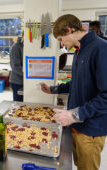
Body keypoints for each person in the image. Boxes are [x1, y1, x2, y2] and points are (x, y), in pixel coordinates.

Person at [41, 14, 107, 170]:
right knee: (78, 165)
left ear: (68, 30)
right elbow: (77, 83)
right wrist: (53, 89)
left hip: (91, 129)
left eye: (61, 40)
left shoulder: (101, 48)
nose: (62, 45)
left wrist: (74, 114)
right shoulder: (78, 50)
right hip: (75, 126)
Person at [9, 32, 24, 102]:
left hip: (24, 81)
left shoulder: (25, 46)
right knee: (18, 105)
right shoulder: (15, 47)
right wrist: (28, 75)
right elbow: (15, 67)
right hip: (17, 82)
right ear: (23, 36)